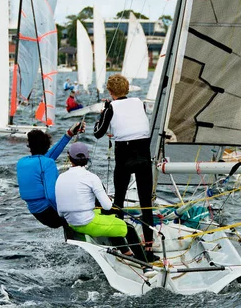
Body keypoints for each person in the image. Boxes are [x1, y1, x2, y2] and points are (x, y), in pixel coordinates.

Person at [55, 142, 156, 276]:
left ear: (69, 158)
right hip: (86, 223)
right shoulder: (91, 177)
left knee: (107, 218)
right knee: (129, 229)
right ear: (87, 157)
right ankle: (145, 266)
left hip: (70, 223)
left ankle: (126, 252)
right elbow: (107, 206)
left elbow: (60, 211)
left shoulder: (60, 177)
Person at [93, 74, 157, 262]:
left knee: (118, 201)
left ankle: (123, 245)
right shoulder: (140, 102)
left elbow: (98, 133)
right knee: (146, 204)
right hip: (144, 153)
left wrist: (104, 112)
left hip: (125, 155)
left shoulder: (110, 107)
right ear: (127, 89)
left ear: (110, 92)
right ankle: (149, 247)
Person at [17, 121, 85, 228]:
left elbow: (47, 157)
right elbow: (51, 196)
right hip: (50, 212)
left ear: (30, 146)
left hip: (36, 212)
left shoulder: (22, 162)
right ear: (47, 145)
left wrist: (69, 135)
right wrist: (64, 215)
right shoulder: (47, 163)